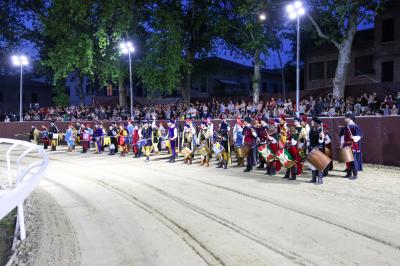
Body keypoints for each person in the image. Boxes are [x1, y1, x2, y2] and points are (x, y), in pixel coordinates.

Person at [340, 112, 363, 179]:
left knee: (353, 160)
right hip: (346, 144)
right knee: (347, 159)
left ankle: (355, 174)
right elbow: (343, 136)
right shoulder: (345, 127)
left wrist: (354, 137)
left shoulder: (355, 127)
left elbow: (360, 135)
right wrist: (342, 143)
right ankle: (349, 173)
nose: (344, 119)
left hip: (353, 145)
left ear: (349, 118)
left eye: (345, 117)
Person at [308, 117, 325, 184]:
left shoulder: (320, 130)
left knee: (318, 164)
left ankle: (320, 179)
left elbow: (321, 141)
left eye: (312, 121)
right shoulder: (311, 130)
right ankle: (313, 179)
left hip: (318, 149)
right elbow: (310, 139)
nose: (311, 122)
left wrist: (321, 135)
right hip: (311, 148)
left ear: (316, 123)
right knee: (312, 164)